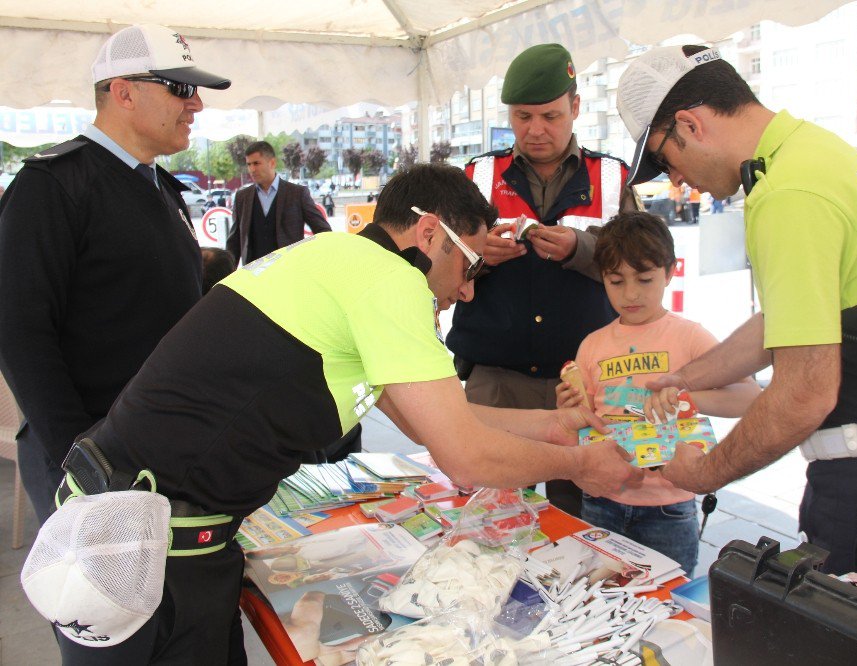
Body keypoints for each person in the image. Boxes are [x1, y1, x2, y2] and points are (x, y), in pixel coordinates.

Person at [47, 163, 642, 664]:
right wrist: (584, 465)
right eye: (471, 267)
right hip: (152, 550)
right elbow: (465, 454)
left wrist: (555, 426)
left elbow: (434, 416)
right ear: (431, 235)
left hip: (131, 519)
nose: (465, 292)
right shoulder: (390, 281)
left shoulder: (339, 257)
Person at [616, 45, 857, 613]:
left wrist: (702, 472)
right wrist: (684, 377)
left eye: (666, 161)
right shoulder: (813, 151)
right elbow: (789, 318)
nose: (678, 182)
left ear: (690, 124)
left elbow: (805, 392)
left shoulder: (789, 193)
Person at [0, 24, 230, 523]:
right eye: (181, 88)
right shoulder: (53, 185)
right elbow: (20, 331)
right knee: (104, 600)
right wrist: (80, 457)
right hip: (93, 464)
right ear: (123, 92)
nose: (196, 105)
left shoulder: (162, 189)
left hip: (163, 448)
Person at [447, 43, 638, 517]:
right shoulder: (476, 175)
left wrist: (581, 249)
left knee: (582, 511)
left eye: (550, 116)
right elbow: (439, 263)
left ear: (575, 107)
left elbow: (640, 266)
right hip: (495, 382)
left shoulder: (612, 178)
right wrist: (478, 256)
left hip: (585, 382)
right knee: (488, 510)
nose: (535, 130)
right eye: (522, 116)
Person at [555, 211, 759, 574]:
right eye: (616, 281)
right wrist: (568, 408)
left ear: (670, 271)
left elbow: (748, 396)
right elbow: (581, 422)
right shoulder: (592, 345)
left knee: (670, 598)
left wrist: (689, 399)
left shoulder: (690, 336)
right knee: (602, 594)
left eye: (645, 279)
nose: (631, 294)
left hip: (669, 505)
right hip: (603, 498)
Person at [226, 141, 331, 265]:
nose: (252, 169)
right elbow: (234, 242)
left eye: (256, 163)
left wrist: (310, 260)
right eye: (249, 164)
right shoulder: (242, 197)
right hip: (253, 277)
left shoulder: (297, 194)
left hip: (288, 274)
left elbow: (324, 232)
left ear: (272, 163)